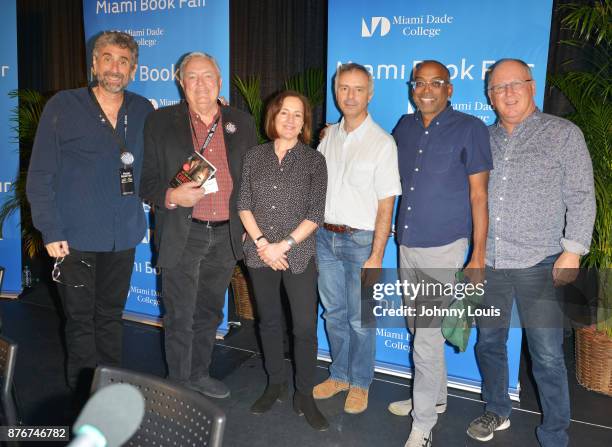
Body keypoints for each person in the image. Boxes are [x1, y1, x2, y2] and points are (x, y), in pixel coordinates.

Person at [466, 59, 595, 447]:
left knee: (548, 356)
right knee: (488, 344)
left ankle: (554, 432)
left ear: (531, 86)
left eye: (514, 84)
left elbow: (582, 197)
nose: (507, 93)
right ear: (489, 97)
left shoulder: (563, 134)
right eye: (497, 88)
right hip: (489, 263)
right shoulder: (482, 139)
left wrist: (572, 252)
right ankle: (497, 409)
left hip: (541, 263)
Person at [26, 31, 153, 392]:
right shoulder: (63, 106)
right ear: (94, 63)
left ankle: (110, 390)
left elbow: (163, 155)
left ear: (134, 69)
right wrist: (50, 230)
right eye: (108, 58)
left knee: (110, 318)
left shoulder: (142, 109)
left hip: (123, 235)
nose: (115, 67)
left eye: (124, 61)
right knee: (80, 321)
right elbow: (40, 175)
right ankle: (83, 396)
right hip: (74, 237)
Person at [140, 52, 257, 398]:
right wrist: (172, 195)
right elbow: (145, 181)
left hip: (225, 236)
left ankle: (199, 374)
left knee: (208, 312)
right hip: (183, 233)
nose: (201, 85)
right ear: (181, 83)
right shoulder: (159, 122)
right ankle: (178, 387)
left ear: (219, 82)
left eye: (208, 77)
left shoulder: (241, 122)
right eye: (192, 77)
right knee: (179, 314)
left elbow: (251, 179)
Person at [388, 60, 493, 447]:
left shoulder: (470, 128)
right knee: (419, 330)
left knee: (427, 338)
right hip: (408, 244)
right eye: (420, 82)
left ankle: (423, 423)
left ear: (450, 89)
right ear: (412, 87)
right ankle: (434, 397)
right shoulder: (405, 126)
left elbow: (479, 196)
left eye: (436, 83)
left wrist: (478, 255)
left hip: (445, 248)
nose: (426, 89)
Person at [237, 90, 328, 430]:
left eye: (298, 115)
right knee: (269, 322)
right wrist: (263, 244)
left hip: (299, 255)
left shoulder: (314, 160)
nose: (290, 120)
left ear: (305, 122)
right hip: (260, 255)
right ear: (273, 116)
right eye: (284, 113)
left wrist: (282, 246)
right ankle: (275, 382)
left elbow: (315, 213)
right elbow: (243, 203)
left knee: (304, 328)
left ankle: (304, 392)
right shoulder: (253, 156)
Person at [314, 63, 402, 414]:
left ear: (370, 93)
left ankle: (361, 382)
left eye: (358, 89)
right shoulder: (328, 136)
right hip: (325, 239)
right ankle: (339, 375)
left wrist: (377, 256)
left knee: (361, 319)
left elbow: (386, 204)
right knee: (334, 314)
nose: (350, 96)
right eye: (343, 88)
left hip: (362, 243)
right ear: (336, 90)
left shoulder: (383, 143)